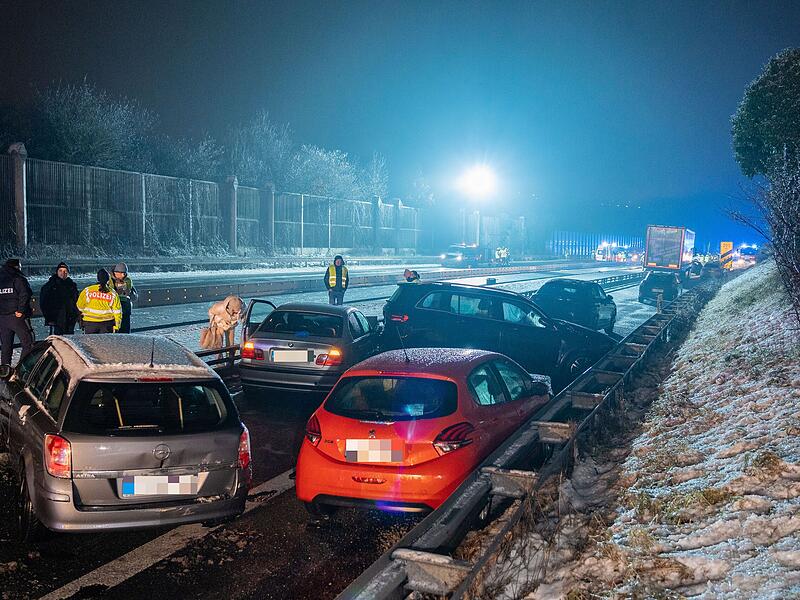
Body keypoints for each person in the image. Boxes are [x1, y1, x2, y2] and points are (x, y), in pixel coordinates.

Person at [0, 258, 33, 365]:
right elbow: (25, 294)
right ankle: (21, 368)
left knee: (6, 346)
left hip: (2, 318)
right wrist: (21, 310)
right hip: (16, 317)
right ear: (16, 267)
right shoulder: (18, 278)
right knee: (28, 342)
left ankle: (5, 371)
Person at [40, 262, 80, 335]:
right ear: (57, 272)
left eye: (65, 271)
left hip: (70, 319)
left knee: (69, 340)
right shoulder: (50, 286)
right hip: (56, 319)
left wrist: (76, 315)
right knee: (58, 340)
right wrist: (49, 318)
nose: (63, 273)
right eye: (60, 270)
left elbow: (76, 301)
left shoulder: (72, 285)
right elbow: (43, 303)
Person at [77, 269, 122, 334]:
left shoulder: (87, 291)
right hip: (107, 324)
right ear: (108, 280)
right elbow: (117, 312)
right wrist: (117, 327)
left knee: (90, 343)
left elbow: (79, 307)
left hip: (90, 323)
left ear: (97, 278)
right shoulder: (113, 293)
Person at [111, 262, 138, 333]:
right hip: (114, 310)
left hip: (126, 309)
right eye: (121, 273)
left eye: (125, 273)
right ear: (115, 272)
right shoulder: (110, 281)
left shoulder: (128, 280)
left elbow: (135, 297)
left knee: (125, 331)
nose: (123, 275)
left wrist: (129, 292)